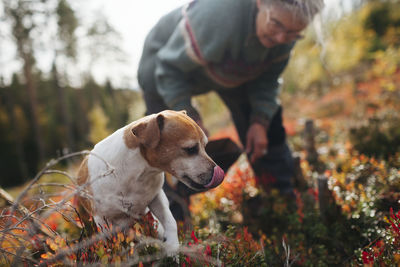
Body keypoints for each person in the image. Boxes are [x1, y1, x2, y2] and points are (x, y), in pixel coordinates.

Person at [137, 0, 324, 220]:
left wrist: (260, 122)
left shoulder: (283, 35)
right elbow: (168, 70)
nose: (282, 38)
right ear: (260, 2)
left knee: (266, 124)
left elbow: (267, 82)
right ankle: (172, 216)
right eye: (276, 24)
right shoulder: (217, 15)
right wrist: (187, 113)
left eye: (294, 33)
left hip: (230, 66)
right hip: (167, 64)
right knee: (164, 136)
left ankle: (281, 204)